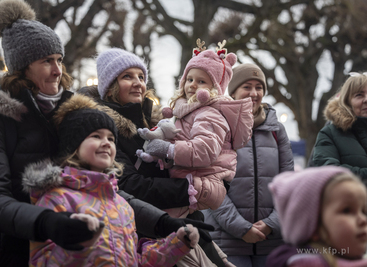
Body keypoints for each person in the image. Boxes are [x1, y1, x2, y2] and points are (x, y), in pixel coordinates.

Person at [0, 1, 203, 266]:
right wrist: (48, 222)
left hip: (74, 250)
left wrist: (161, 222)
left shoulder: (70, 114)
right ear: (22, 67)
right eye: (47, 61)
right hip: (7, 252)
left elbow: (102, 187)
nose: (58, 70)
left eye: (59, 60)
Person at [78, 47, 230, 266]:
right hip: (148, 235)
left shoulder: (155, 123)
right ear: (109, 87)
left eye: (141, 76)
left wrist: (216, 175)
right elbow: (130, 185)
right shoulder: (103, 129)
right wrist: (192, 188)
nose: (138, 82)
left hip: (187, 225)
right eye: (127, 76)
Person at [22, 94, 199, 266]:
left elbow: (135, 260)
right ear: (74, 145)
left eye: (111, 139)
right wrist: (78, 246)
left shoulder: (121, 204)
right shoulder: (57, 199)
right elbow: (41, 261)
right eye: (96, 136)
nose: (107, 143)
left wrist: (176, 244)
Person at [145, 39, 253, 219]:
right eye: (189, 79)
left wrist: (168, 150)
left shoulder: (209, 113)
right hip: (193, 178)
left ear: (215, 88)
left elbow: (204, 150)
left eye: (201, 81)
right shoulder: (189, 110)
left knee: (161, 224)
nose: (192, 85)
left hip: (201, 182)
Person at [203, 63, 294, 267]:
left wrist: (271, 224)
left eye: (259, 87)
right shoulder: (217, 127)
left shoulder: (276, 130)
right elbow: (210, 186)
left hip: (271, 242)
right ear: (233, 92)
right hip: (228, 242)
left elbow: (288, 184)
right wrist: (241, 228)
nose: (254, 93)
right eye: (247, 86)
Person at [266, 166, 367, 267]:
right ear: (313, 227)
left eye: (364, 211)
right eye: (346, 210)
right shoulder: (304, 263)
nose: (363, 220)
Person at [312, 72, 367, 183]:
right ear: (347, 102)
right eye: (359, 95)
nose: (366, 99)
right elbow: (329, 174)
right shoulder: (329, 134)